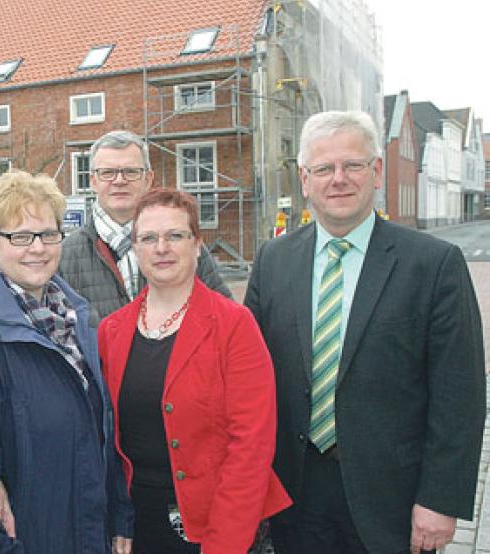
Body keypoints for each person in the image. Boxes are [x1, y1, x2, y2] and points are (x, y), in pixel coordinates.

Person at [244, 110, 486, 554]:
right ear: (304, 179)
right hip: (294, 495)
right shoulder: (273, 260)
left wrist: (440, 499)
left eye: (352, 165)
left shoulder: (434, 265)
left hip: (393, 500)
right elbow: (249, 378)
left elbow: (461, 393)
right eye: (323, 168)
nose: (338, 179)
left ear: (376, 171)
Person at [0, 170, 134, 554]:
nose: (38, 248)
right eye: (21, 237)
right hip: (30, 536)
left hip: (84, 528)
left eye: (48, 234)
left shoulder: (74, 316)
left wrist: (117, 517)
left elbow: (99, 431)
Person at [98, 188, 290, 553]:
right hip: (136, 527)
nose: (161, 248)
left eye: (175, 236)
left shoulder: (233, 324)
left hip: (217, 526)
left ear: (197, 244)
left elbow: (251, 445)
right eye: (149, 238)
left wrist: (225, 543)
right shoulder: (111, 331)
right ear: (135, 248)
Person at [59, 130, 231, 323]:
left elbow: (223, 318)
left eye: (130, 172)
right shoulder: (64, 256)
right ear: (93, 181)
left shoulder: (184, 244)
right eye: (107, 173)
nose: (119, 181)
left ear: (148, 179)